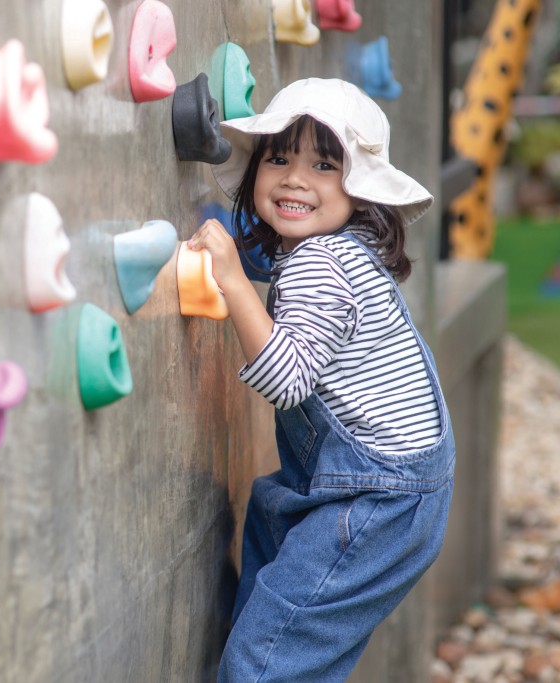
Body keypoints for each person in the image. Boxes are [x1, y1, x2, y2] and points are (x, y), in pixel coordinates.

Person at [187, 78, 455, 682]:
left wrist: (229, 276)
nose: (294, 178)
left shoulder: (321, 262)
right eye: (278, 157)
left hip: (376, 500)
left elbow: (286, 379)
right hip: (391, 488)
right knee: (269, 517)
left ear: (359, 191)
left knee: (265, 660)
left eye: (324, 164)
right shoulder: (340, 249)